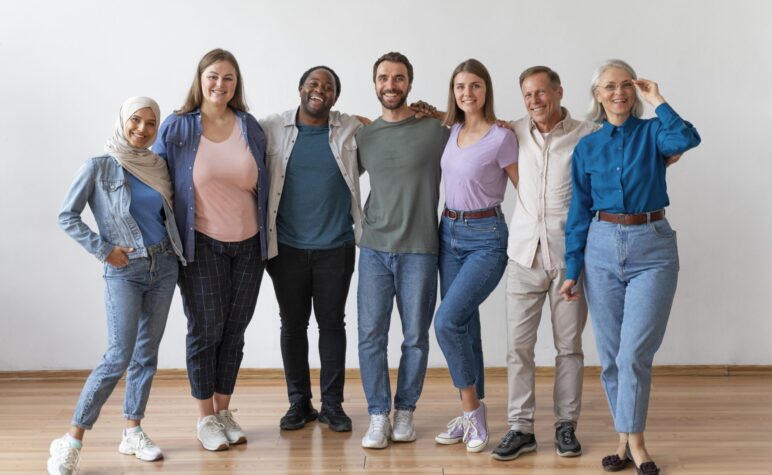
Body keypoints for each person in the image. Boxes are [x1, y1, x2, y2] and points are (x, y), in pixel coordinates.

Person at [561, 59, 700, 475]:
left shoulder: (654, 132)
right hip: (600, 247)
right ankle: (623, 441)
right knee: (610, 355)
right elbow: (578, 210)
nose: (619, 93)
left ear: (635, 91)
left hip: (651, 247)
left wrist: (657, 99)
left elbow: (688, 137)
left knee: (634, 351)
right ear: (597, 94)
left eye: (626, 86)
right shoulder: (587, 145)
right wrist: (572, 268)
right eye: (609, 86)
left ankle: (635, 444)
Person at [50, 97, 185, 475]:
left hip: (165, 265)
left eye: (151, 123)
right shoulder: (99, 166)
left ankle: (132, 430)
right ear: (123, 121)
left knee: (146, 355)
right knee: (117, 357)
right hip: (125, 269)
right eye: (136, 121)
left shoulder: (158, 166)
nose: (142, 129)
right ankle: (71, 440)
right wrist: (104, 249)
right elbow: (67, 215)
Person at [154, 48, 268, 451]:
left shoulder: (249, 126)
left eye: (229, 78)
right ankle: (204, 417)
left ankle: (222, 411)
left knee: (234, 333)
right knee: (206, 331)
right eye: (213, 76)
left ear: (237, 85)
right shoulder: (179, 128)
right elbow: (155, 182)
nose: (220, 84)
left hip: (250, 245)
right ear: (200, 80)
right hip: (201, 244)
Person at [491, 66, 597, 461]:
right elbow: (467, 122)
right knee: (519, 349)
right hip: (523, 256)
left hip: (569, 260)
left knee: (569, 348)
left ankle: (565, 426)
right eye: (528, 95)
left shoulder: (587, 134)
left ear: (558, 91)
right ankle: (520, 428)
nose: (535, 101)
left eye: (541, 93)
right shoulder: (513, 131)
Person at [260, 66, 363, 433]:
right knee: (292, 325)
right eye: (314, 84)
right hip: (285, 248)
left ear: (336, 96)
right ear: (300, 88)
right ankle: (299, 403)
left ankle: (332, 405)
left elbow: (386, 126)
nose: (320, 90)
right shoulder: (272, 127)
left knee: (332, 324)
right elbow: (230, 127)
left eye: (329, 87)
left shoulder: (350, 129)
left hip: (336, 247)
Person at [357, 52, 450, 449]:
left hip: (420, 248)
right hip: (375, 248)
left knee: (415, 336)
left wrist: (442, 110)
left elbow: (478, 125)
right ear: (375, 83)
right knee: (371, 335)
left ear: (410, 83)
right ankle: (378, 415)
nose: (390, 85)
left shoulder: (435, 129)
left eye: (398, 78)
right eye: (383, 78)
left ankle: (405, 412)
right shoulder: (364, 135)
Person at [432, 59, 518, 453]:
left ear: (487, 91)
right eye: (460, 86)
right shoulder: (452, 130)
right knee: (465, 325)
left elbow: (526, 190)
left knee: (447, 321)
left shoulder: (502, 137)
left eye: (475, 86)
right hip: (448, 233)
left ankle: (471, 412)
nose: (467, 93)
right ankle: (474, 410)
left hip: (486, 237)